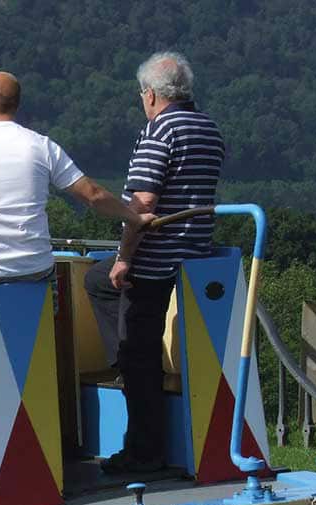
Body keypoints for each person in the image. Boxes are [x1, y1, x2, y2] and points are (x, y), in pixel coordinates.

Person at [87, 52, 227, 474]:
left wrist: (123, 258)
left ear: (150, 94)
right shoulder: (210, 129)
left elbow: (142, 204)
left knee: (134, 345)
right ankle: (125, 362)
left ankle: (143, 449)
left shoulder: (158, 131)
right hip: (197, 254)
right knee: (97, 282)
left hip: (155, 260)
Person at [0, 71, 151, 282]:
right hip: (34, 268)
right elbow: (93, 195)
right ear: (17, 106)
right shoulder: (42, 146)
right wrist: (135, 218)